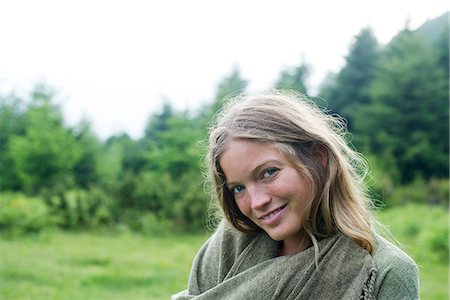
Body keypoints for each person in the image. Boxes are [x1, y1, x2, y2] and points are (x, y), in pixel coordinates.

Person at [172, 90, 419, 299]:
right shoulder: (225, 248)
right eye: (239, 188)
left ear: (318, 158)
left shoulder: (385, 271)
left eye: (269, 172)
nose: (257, 202)